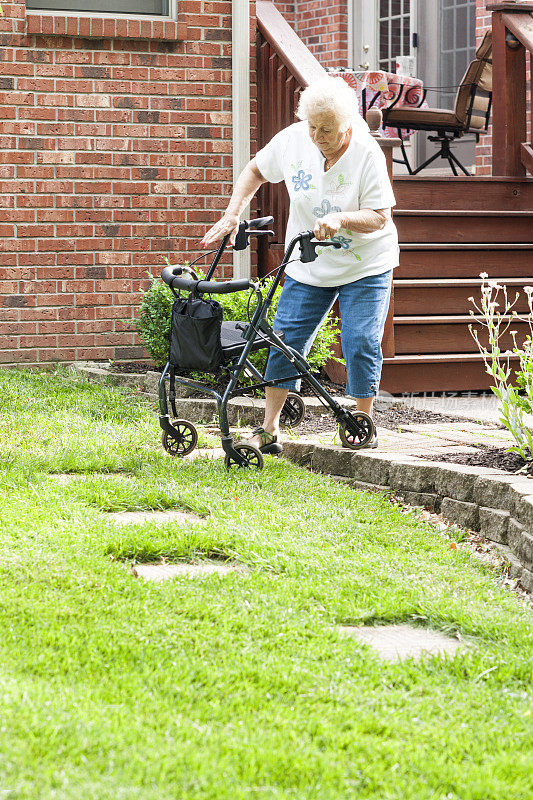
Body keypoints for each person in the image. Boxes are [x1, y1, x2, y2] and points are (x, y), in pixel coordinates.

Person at [200, 76, 399, 453]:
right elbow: (255, 170)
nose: (317, 135)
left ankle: (361, 419)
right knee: (286, 337)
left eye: (327, 129)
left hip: (365, 264)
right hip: (309, 262)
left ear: (347, 125)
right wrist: (231, 214)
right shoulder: (294, 139)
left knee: (359, 340)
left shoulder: (366, 153)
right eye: (312, 126)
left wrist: (341, 218)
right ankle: (270, 428)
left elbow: (380, 216)